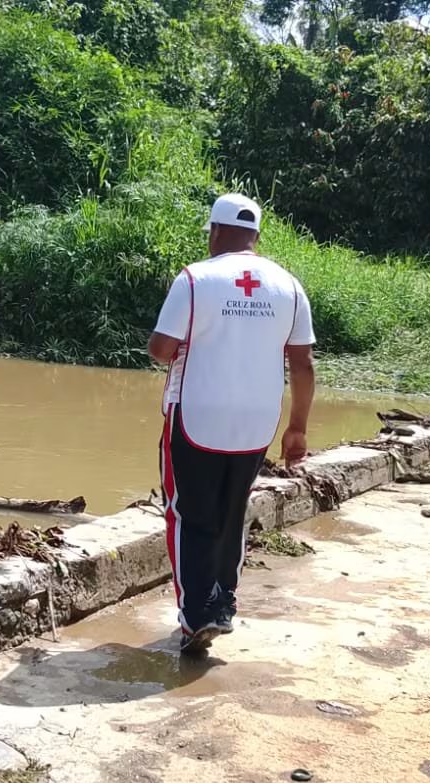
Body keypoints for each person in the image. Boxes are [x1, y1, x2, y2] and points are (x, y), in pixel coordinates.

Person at [147, 193, 316, 655]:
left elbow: (161, 349)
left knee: (188, 513)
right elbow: (303, 364)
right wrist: (297, 428)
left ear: (216, 231)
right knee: (231, 510)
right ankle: (222, 603)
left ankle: (196, 615)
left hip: (196, 413)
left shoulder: (195, 279)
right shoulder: (289, 286)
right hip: (258, 419)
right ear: (256, 236)